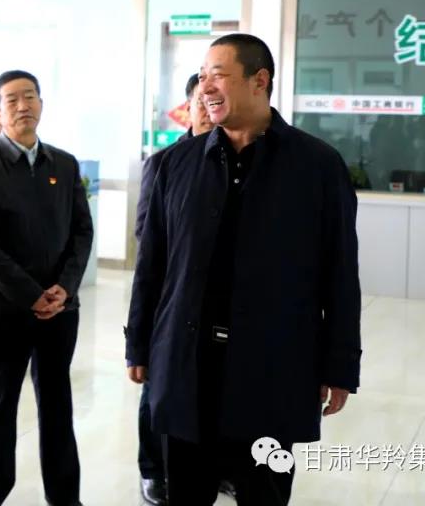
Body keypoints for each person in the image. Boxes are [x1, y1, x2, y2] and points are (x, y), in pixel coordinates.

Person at [125, 34, 361, 506]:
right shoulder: (176, 165)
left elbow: (339, 273)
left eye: (218, 74)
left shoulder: (317, 166)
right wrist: (139, 345)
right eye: (202, 76)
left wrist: (339, 366)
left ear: (260, 80)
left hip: (271, 369)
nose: (205, 86)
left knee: (263, 494)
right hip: (187, 365)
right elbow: (152, 266)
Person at [0, 70, 93, 506]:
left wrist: (63, 289)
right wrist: (31, 294)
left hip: (60, 310)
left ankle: (65, 497)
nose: (23, 106)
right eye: (12, 99)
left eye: (30, 96)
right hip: (4, 310)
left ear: (41, 104)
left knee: (58, 406)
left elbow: (81, 232)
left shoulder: (64, 164)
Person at [129, 72, 212, 506]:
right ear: (188, 108)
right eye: (201, 101)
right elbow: (146, 234)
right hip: (168, 299)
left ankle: (213, 470)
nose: (208, 109)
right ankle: (152, 470)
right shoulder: (165, 162)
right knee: (156, 391)